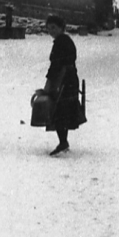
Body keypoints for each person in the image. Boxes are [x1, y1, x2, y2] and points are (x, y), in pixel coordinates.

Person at [43, 14, 86, 156]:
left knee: (60, 110)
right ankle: (63, 142)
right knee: (63, 110)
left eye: (54, 28)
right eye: (49, 28)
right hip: (69, 78)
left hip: (65, 80)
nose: (51, 31)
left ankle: (63, 142)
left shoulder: (61, 42)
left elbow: (56, 64)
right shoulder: (64, 40)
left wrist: (49, 83)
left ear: (61, 28)